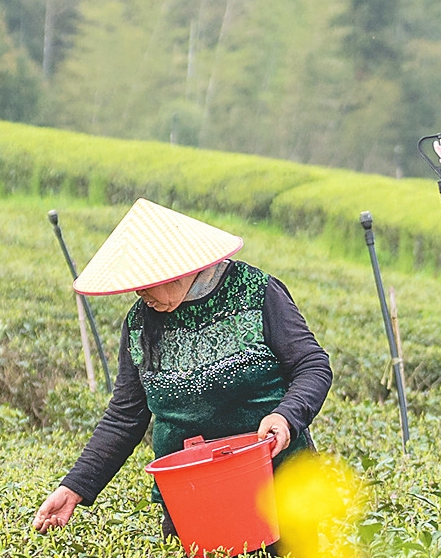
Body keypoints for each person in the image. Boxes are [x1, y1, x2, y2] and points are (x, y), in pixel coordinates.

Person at [33, 199, 332, 536]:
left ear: (177, 268)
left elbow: (312, 365)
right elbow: (124, 417)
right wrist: (75, 487)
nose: (139, 293)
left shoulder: (255, 292)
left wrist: (286, 417)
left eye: (146, 282)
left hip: (282, 489)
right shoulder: (140, 323)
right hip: (193, 501)